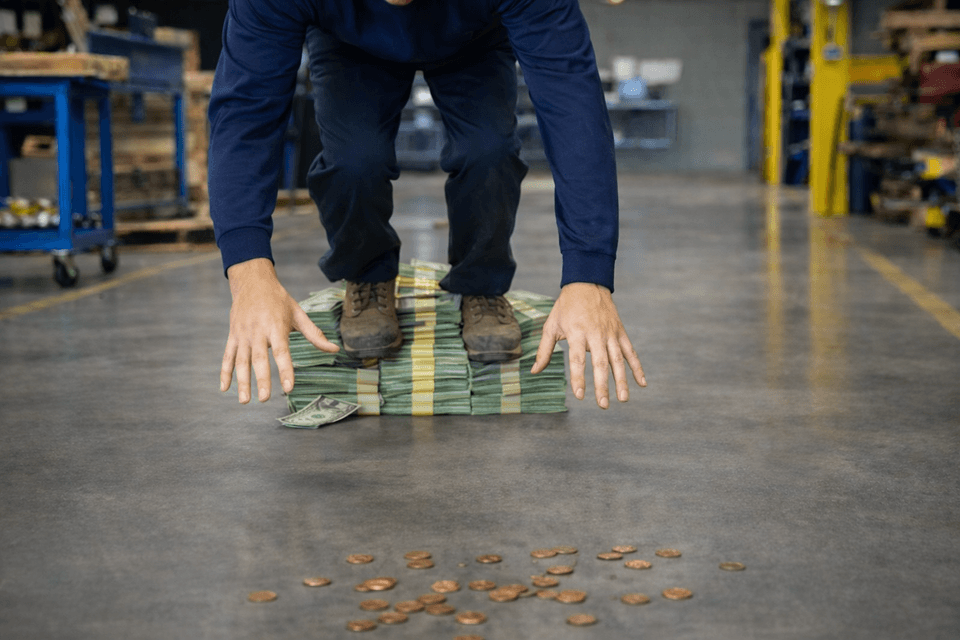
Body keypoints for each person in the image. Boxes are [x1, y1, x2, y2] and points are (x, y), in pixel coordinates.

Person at [211, 0, 646, 411]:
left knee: (488, 151)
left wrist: (589, 275)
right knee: (353, 161)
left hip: (474, 35)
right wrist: (248, 270)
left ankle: (483, 283)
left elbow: (574, 108)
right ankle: (367, 277)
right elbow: (246, 111)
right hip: (349, 42)